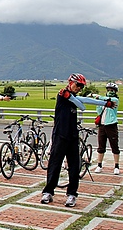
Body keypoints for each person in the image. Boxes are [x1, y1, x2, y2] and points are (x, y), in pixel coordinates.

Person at [40, 73, 116, 208]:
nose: (79, 88)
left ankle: (72, 194)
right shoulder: (62, 94)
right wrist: (69, 97)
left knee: (74, 166)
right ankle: (48, 192)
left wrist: (105, 103)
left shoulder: (72, 96)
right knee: (55, 164)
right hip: (60, 135)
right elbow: (81, 106)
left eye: (81, 86)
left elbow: (85, 102)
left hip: (72, 135)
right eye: (78, 85)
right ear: (70, 83)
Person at [93, 82, 121, 175]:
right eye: (108, 90)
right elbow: (98, 110)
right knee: (101, 146)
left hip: (111, 125)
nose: (110, 91)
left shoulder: (115, 100)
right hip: (102, 125)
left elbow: (109, 99)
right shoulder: (104, 102)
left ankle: (116, 166)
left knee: (114, 145)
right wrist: (99, 104)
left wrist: (98, 97)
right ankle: (99, 165)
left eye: (112, 90)